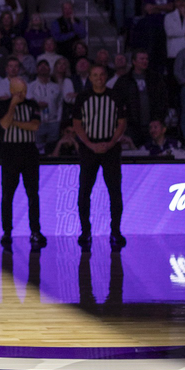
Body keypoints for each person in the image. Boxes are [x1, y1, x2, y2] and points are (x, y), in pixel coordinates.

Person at [73, 65, 128, 251]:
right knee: (84, 191)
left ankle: (115, 231)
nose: (98, 78)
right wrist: (89, 144)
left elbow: (122, 123)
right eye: (95, 75)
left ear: (106, 76)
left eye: (101, 74)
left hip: (110, 149)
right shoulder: (82, 97)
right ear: (89, 77)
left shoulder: (116, 96)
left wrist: (111, 143)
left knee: (115, 191)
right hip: (89, 149)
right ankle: (85, 231)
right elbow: (76, 124)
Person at [0, 77, 45, 249]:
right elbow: (4, 124)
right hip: (9, 152)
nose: (22, 94)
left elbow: (34, 126)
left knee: (33, 194)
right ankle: (7, 232)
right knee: (7, 195)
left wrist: (15, 123)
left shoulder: (32, 104)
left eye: (24, 90)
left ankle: (35, 231)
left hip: (29, 152)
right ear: (11, 90)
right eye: (18, 91)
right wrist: (13, 105)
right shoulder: (3, 105)